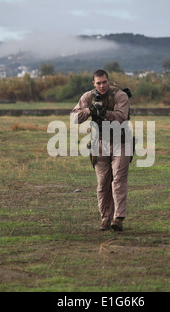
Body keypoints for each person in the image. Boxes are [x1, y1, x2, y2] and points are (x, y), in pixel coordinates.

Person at [71, 69, 131, 231]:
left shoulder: (120, 95)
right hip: (99, 144)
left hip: (121, 142)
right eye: (98, 83)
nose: (102, 86)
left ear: (108, 81)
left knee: (118, 181)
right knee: (103, 184)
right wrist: (89, 110)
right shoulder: (88, 96)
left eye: (104, 82)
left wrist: (104, 113)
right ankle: (105, 219)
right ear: (94, 83)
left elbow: (121, 117)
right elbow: (74, 117)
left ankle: (118, 218)